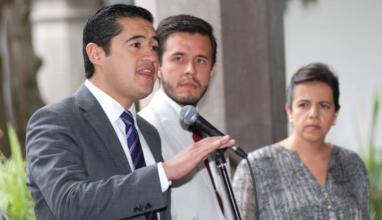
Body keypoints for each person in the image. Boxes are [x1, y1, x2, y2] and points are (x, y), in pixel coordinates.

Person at [25, 4, 235, 220]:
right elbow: (69, 203)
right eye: (136, 45)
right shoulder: (56, 121)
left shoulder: (147, 132)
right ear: (96, 54)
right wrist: (164, 172)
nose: (151, 58)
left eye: (154, 48)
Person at [232, 63, 369, 219]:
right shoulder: (255, 168)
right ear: (289, 111)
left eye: (324, 106)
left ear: (335, 115)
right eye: (303, 105)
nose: (313, 114)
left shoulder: (352, 165)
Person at [139, 15, 234, 220]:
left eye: (200, 60)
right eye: (178, 58)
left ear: (212, 70)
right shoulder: (143, 130)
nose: (190, 70)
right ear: (158, 66)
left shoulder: (209, 132)